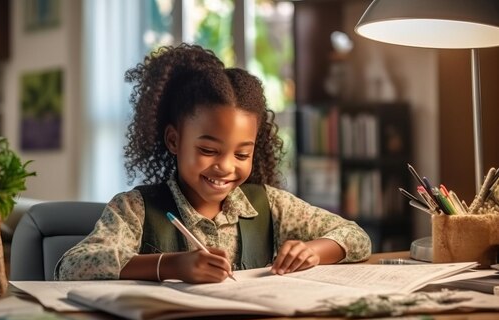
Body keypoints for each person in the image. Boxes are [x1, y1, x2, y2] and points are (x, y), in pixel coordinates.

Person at [55, 43, 371, 283]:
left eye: (242, 154)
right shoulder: (135, 209)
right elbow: (72, 266)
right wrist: (171, 265)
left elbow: (357, 237)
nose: (226, 166)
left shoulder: (269, 205)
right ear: (174, 141)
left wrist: (314, 250)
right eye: (209, 150)